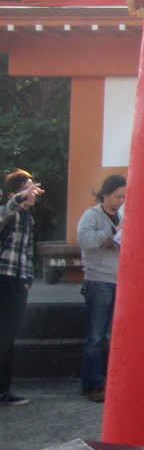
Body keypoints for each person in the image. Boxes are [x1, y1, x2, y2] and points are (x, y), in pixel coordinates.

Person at [76, 174, 126, 403]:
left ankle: (107, 381)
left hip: (117, 279)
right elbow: (85, 241)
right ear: (105, 194)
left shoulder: (121, 215)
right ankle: (92, 383)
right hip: (97, 279)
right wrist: (113, 231)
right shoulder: (92, 215)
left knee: (109, 335)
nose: (120, 201)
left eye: (124, 197)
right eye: (117, 196)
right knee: (95, 336)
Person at [0, 170, 44, 406]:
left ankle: (4, 390)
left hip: (18, 281)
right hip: (2, 278)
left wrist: (28, 278)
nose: (32, 194)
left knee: (8, 338)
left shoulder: (29, 218)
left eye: (33, 189)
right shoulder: (9, 212)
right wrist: (17, 200)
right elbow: (4, 214)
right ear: (13, 194)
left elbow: (26, 252)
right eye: (27, 190)